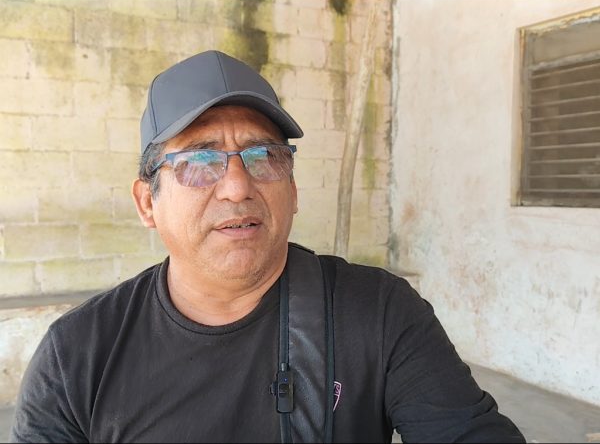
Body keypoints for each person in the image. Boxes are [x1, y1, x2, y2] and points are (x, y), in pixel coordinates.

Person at [10, 50, 525, 443]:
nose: (238, 187)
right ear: (148, 202)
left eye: (263, 156)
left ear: (293, 191)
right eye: (199, 161)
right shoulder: (77, 356)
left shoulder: (379, 313)